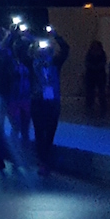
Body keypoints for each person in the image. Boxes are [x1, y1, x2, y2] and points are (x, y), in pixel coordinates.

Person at [30, 29, 69, 175]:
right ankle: (42, 161)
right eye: (40, 49)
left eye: (46, 49)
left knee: (50, 131)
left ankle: (46, 160)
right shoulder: (31, 64)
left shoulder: (55, 63)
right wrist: (27, 38)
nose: (43, 51)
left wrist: (56, 36)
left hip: (53, 101)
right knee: (40, 132)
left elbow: (65, 49)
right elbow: (21, 52)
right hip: (37, 100)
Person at [84, 40, 107, 117]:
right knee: (90, 92)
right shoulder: (90, 54)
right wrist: (94, 68)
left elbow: (103, 62)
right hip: (91, 75)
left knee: (101, 92)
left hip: (100, 75)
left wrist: (95, 68)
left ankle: (102, 107)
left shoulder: (102, 54)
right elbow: (87, 62)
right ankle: (89, 106)